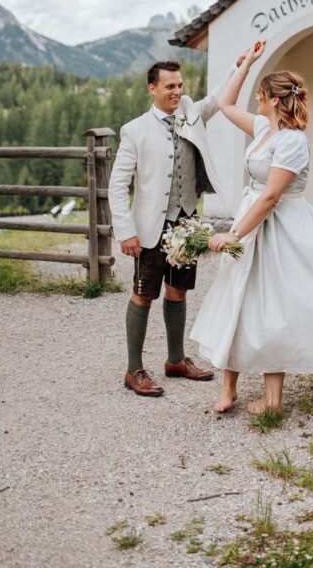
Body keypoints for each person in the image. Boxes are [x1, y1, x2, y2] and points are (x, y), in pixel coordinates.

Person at [190, 41, 313, 414]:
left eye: (262, 95)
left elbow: (271, 197)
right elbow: (228, 105)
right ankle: (228, 390)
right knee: (236, 296)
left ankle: (273, 400)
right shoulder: (263, 127)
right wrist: (246, 65)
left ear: (276, 101)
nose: (257, 100)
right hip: (252, 221)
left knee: (272, 306)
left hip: (281, 229)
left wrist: (234, 234)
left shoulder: (293, 142)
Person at [109, 54, 245, 397]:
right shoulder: (135, 130)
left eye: (180, 85)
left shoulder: (190, 114)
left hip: (187, 222)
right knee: (143, 294)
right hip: (150, 227)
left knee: (179, 289)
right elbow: (116, 184)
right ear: (151, 88)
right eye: (170, 86)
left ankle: (175, 360)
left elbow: (215, 97)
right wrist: (126, 231)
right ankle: (133, 370)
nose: (177, 91)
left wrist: (239, 64)